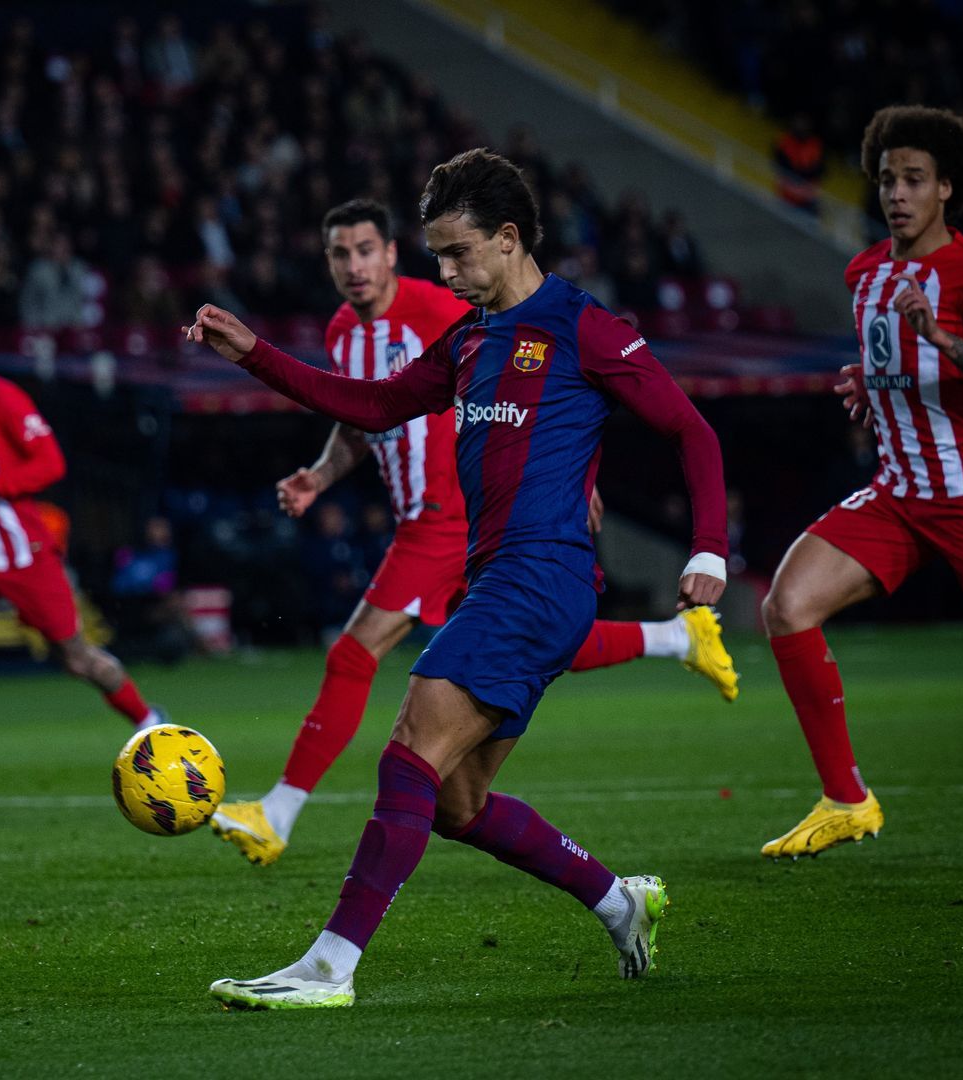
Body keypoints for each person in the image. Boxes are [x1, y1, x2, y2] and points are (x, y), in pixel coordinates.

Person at [188, 148, 728, 1009]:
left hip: (540, 578)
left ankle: (328, 968)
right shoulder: (470, 337)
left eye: (456, 253)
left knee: (408, 748)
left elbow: (691, 431)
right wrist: (255, 353)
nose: (443, 271)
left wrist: (707, 549)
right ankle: (619, 901)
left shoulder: (586, 326)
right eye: (436, 254)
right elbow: (369, 407)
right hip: (500, 583)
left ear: (509, 240)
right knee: (456, 799)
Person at [759, 106, 963, 860]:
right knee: (787, 606)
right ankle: (847, 798)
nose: (896, 193)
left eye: (914, 180)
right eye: (887, 179)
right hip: (898, 493)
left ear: (945, 190)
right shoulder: (864, 273)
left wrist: (941, 337)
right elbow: (896, 368)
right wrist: (869, 382)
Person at [0, 304, 168, 799]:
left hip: (24, 552)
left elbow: (50, 463)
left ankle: (146, 717)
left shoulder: (2, 398)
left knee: (77, 658)